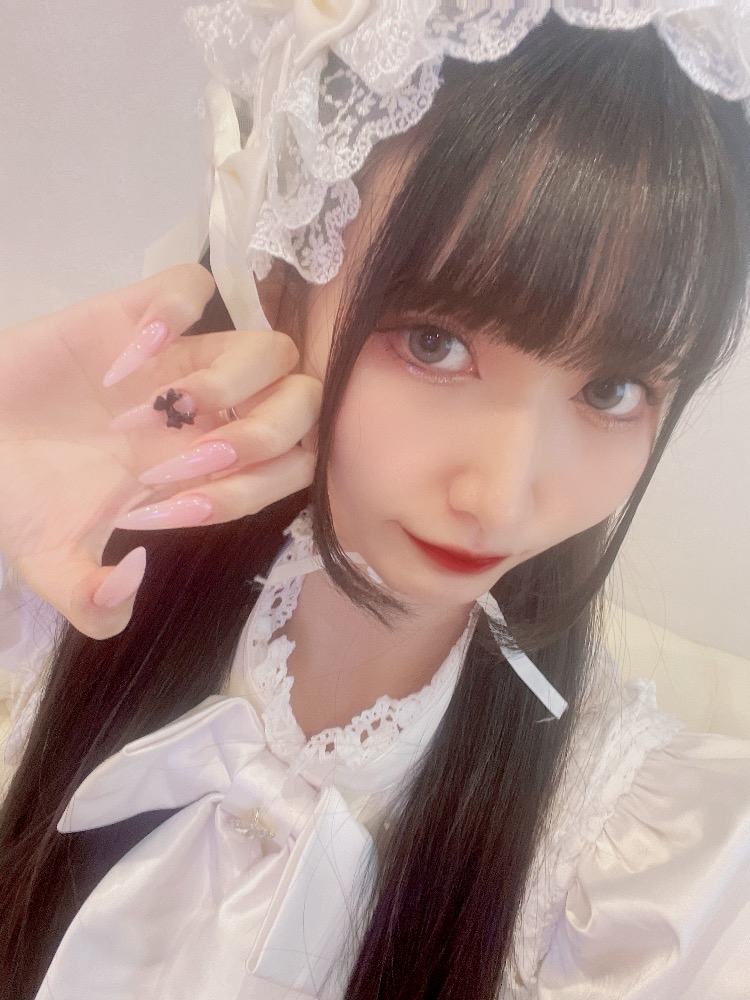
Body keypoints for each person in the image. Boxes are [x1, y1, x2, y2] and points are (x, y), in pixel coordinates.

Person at [1, 3, 750, 998]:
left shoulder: (651, 878)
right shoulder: (46, 596)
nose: (499, 499)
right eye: (436, 342)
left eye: (613, 390)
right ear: (278, 278)